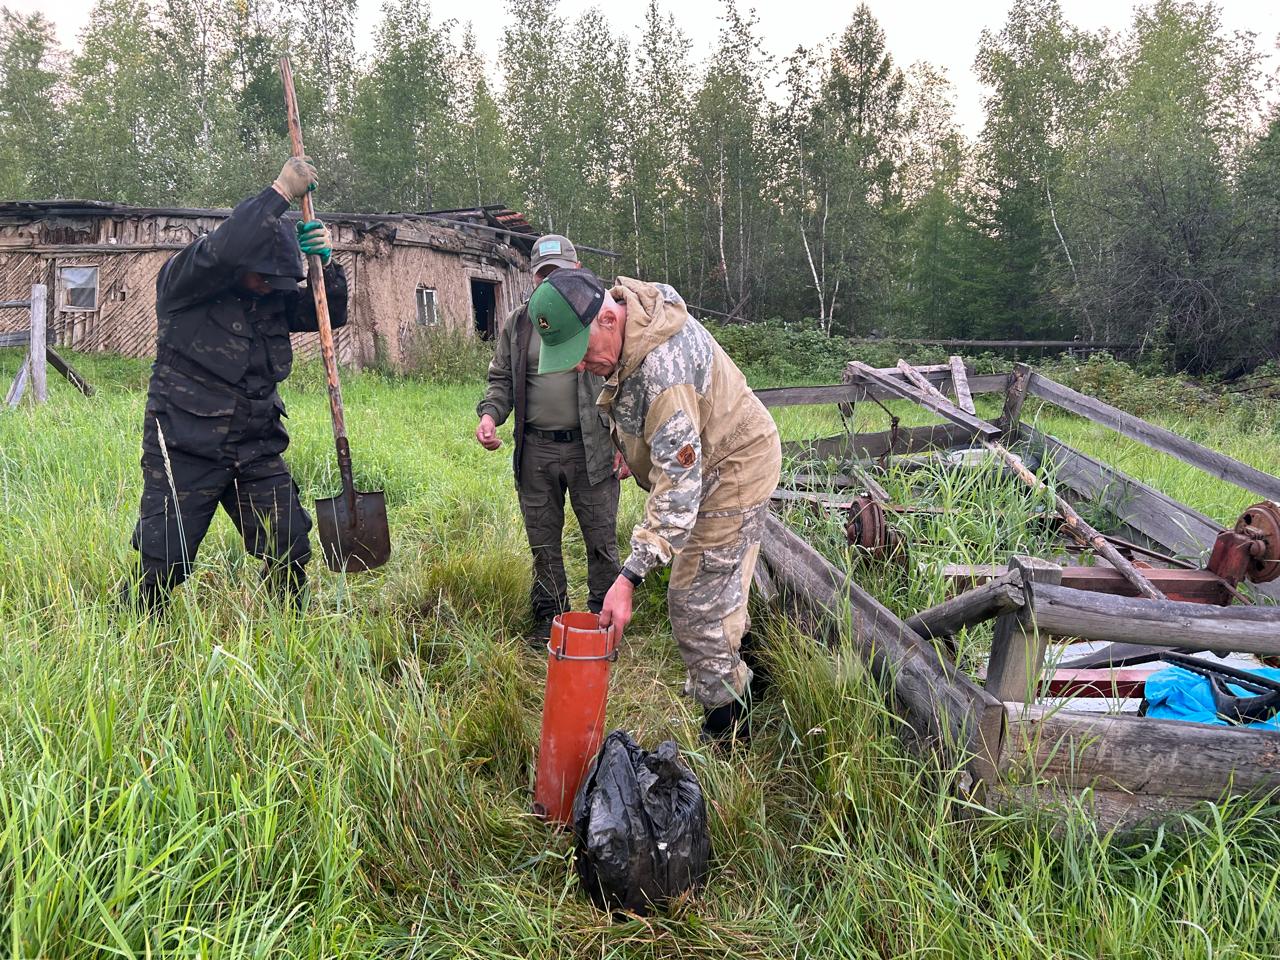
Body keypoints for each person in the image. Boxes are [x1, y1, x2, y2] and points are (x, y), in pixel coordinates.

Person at [527, 269, 782, 743]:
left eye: (581, 354)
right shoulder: (631, 325)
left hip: (733, 469)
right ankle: (748, 671)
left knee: (691, 604)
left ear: (607, 317)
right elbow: (635, 405)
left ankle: (730, 727)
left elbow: (681, 486)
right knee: (712, 587)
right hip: (706, 461)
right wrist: (632, 449)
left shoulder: (663, 369)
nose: (581, 367)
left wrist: (627, 579)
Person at [122, 157, 348, 612]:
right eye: (263, 276)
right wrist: (281, 192)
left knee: (288, 546)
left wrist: (328, 264)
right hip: (186, 446)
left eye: (279, 281)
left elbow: (328, 314)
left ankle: (291, 628)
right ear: (239, 264)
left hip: (256, 445)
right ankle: (134, 630)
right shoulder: (185, 283)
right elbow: (226, 247)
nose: (271, 287)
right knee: (164, 560)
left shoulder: (273, 295)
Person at [474, 235, 622, 645]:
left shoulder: (602, 320)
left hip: (592, 447)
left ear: (576, 272)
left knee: (601, 539)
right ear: (534, 277)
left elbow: (627, 384)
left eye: (559, 274)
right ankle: (549, 618)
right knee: (542, 540)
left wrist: (626, 442)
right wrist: (489, 416)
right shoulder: (519, 324)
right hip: (535, 449)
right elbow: (500, 379)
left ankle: (603, 620)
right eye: (544, 275)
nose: (552, 282)